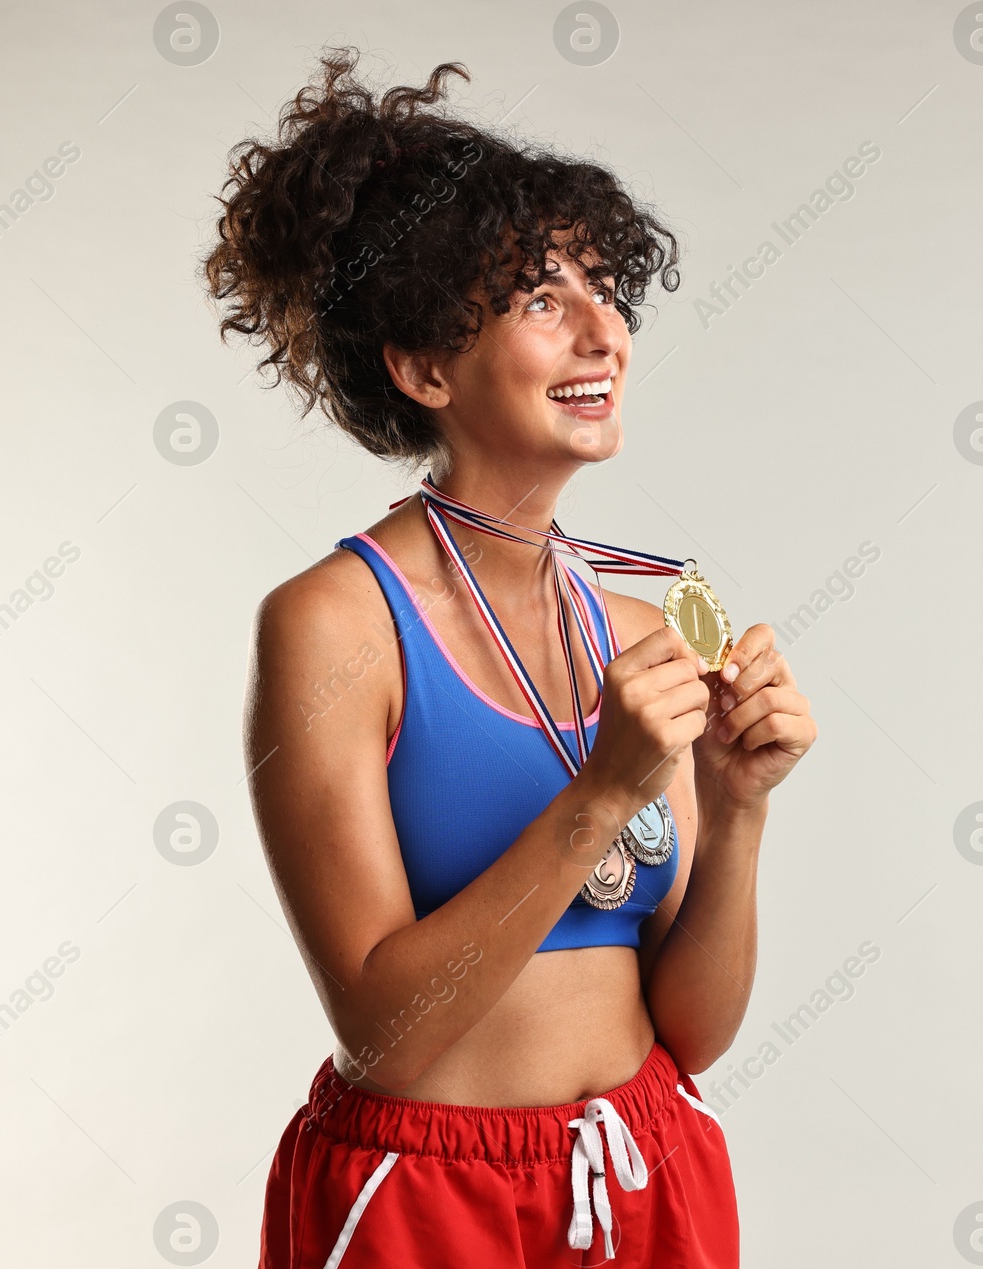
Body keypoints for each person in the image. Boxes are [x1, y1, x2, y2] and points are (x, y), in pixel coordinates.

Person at [202, 47, 815, 1267]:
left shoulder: (653, 621)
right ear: (425, 367)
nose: (606, 331)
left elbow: (692, 1031)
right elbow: (382, 1033)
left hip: (644, 1168)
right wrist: (603, 791)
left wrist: (738, 807)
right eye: (543, 300)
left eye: (606, 289)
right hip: (424, 1201)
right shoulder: (332, 621)